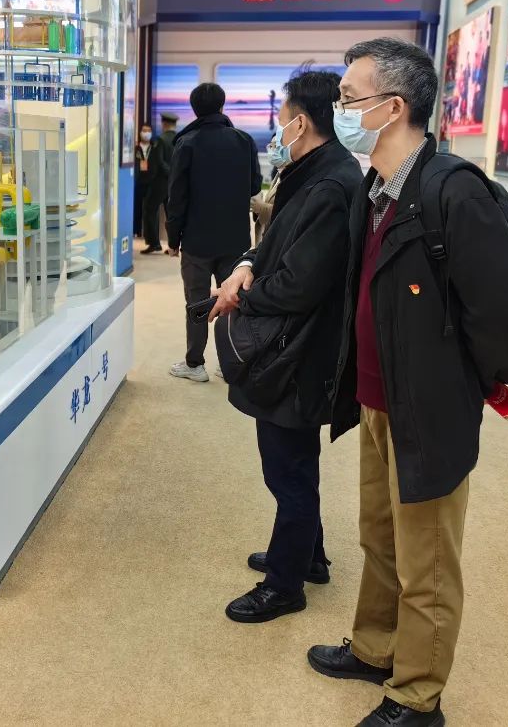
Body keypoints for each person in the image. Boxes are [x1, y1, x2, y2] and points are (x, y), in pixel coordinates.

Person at [307, 38, 508, 727]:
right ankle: (376, 646)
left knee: (427, 560)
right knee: (380, 537)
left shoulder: (452, 190)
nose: (341, 109)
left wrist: (461, 381)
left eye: (350, 98)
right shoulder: (374, 188)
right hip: (376, 398)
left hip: (429, 408)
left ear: (394, 107)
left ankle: (418, 695)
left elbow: (502, 314)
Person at [210, 70, 361, 624]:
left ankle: (284, 584)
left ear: (300, 121)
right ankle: (307, 555)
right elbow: (277, 244)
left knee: (287, 471)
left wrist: (243, 298)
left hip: (299, 353)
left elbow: (300, 284)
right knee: (295, 461)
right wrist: (247, 265)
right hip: (299, 346)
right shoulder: (311, 173)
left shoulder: (330, 186)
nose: (277, 129)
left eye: (282, 119)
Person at [166, 82, 261, 383]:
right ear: (222, 106)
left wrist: (173, 239)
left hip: (196, 240)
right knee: (231, 299)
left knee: (197, 301)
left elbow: (177, 197)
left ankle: (195, 364)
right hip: (235, 238)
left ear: (194, 109)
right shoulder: (244, 140)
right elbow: (254, 185)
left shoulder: (187, 143)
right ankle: (229, 363)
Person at [135, 122, 168, 254]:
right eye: (144, 130)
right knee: (142, 210)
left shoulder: (155, 147)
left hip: (153, 182)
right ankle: (140, 233)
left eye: (148, 131)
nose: (146, 133)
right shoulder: (136, 148)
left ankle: (154, 242)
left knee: (151, 211)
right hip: (139, 182)